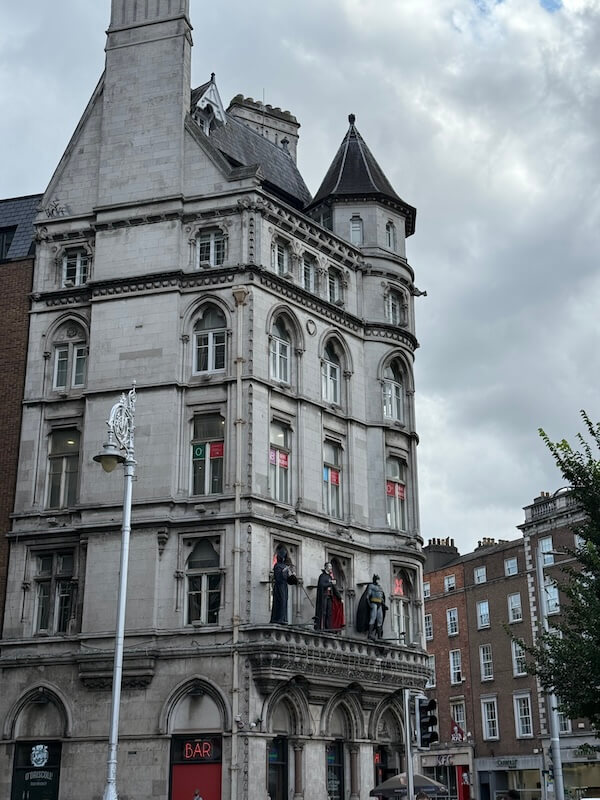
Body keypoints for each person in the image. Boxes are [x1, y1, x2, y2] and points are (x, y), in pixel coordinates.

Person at [270, 546, 298, 624]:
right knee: (280, 601)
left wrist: (293, 577)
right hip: (279, 587)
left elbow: (289, 580)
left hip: (284, 587)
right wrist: (284, 571)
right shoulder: (277, 566)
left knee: (284, 601)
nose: (283, 558)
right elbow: (278, 577)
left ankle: (284, 618)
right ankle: (278, 619)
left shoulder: (285, 566)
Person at [314, 562, 344, 631]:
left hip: (329, 597)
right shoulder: (322, 576)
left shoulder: (330, 577)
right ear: (326, 567)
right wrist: (330, 583)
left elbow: (334, 588)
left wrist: (340, 598)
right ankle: (322, 627)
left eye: (331, 566)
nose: (331, 568)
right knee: (323, 612)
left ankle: (328, 628)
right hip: (324, 596)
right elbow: (321, 585)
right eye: (329, 566)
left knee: (329, 613)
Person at [356, 574, 387, 640]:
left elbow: (381, 598)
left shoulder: (380, 587)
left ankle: (379, 636)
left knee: (380, 620)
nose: (378, 581)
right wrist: (369, 604)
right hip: (373, 603)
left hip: (379, 603)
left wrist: (384, 605)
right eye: (377, 579)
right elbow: (368, 596)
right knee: (373, 618)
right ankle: (370, 634)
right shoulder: (371, 586)